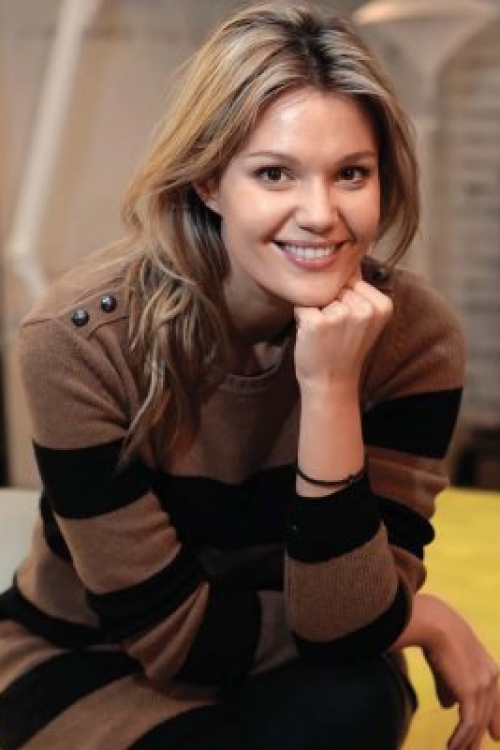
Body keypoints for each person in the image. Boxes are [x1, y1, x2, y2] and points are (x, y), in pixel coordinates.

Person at [0, 3, 498, 749]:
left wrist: (330, 390)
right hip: (88, 653)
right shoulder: (78, 341)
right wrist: (413, 619)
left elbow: (347, 623)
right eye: (274, 173)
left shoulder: (414, 338)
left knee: (354, 706)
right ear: (208, 183)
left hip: (292, 654)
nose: (320, 214)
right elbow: (168, 634)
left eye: (351, 174)